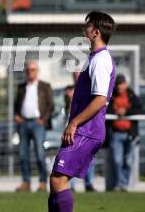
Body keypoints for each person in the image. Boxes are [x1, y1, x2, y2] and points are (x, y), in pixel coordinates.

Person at [48, 11, 116, 212]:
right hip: (83, 130)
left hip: (87, 130)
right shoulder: (95, 58)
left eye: (87, 26)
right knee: (55, 181)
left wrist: (74, 122)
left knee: (58, 180)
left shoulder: (101, 60)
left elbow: (100, 100)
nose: (83, 29)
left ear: (95, 32)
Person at [14, 60, 54, 192]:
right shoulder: (21, 87)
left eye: (32, 70)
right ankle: (26, 182)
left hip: (38, 123)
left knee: (40, 153)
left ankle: (42, 182)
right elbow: (16, 104)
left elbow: (50, 105)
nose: (29, 72)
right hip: (23, 123)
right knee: (23, 154)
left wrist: (44, 119)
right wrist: (17, 116)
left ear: (37, 71)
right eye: (28, 70)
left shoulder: (45, 86)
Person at [106, 74, 142, 192]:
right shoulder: (111, 96)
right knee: (117, 160)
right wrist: (116, 111)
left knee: (128, 161)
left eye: (121, 84)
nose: (119, 86)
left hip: (130, 134)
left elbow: (140, 109)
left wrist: (126, 111)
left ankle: (123, 185)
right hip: (116, 133)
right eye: (117, 84)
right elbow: (106, 109)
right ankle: (119, 185)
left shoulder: (131, 95)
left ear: (125, 84)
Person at [64, 84, 96, 192]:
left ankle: (89, 183)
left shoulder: (90, 88)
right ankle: (71, 185)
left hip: (84, 129)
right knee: (69, 156)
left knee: (88, 157)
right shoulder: (69, 91)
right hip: (71, 129)